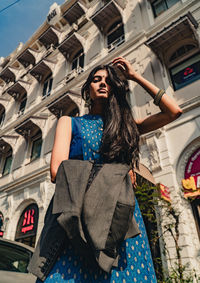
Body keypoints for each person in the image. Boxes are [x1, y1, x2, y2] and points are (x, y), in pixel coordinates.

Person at [33, 57, 182, 283]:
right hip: (77, 216)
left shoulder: (125, 127)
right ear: (87, 90)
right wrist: (118, 173)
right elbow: (57, 172)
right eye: (96, 80)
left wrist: (135, 76)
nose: (103, 84)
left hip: (119, 217)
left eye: (109, 80)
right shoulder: (69, 122)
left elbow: (173, 112)